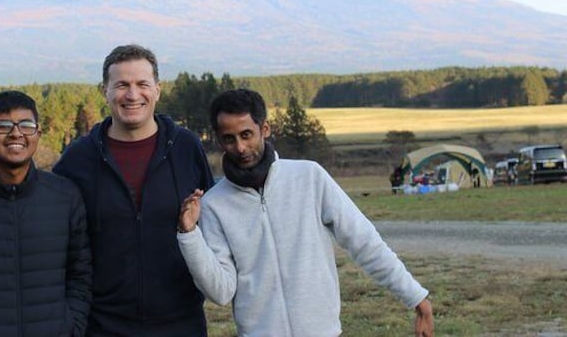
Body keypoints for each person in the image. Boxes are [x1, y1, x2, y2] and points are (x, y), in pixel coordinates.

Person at [178, 88, 434, 337]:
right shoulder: (214, 204)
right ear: (218, 139)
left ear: (264, 129)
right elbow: (221, 291)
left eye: (247, 135)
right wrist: (189, 235)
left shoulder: (309, 177)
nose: (240, 147)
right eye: (229, 139)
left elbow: (364, 241)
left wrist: (415, 296)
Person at [53, 44, 215, 336]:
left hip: (182, 322)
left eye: (142, 84)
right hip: (102, 325)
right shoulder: (78, 159)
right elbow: (57, 241)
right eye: (122, 85)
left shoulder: (186, 148)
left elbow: (216, 222)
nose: (132, 95)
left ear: (158, 90)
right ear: (105, 90)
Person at [0, 90, 92, 336]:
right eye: (2, 125)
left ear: (38, 134)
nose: (16, 133)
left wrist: (70, 326)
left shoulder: (65, 196)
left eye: (26, 125)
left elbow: (81, 274)